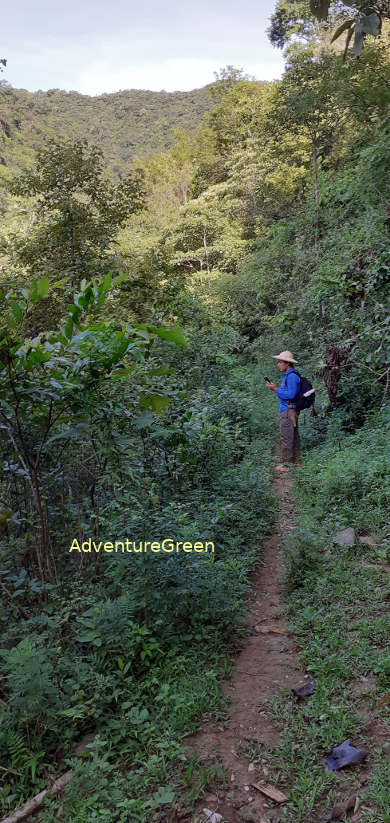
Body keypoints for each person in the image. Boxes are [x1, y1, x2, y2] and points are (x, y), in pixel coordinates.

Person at [266, 350, 301, 473]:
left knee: (287, 437)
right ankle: (296, 462)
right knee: (293, 435)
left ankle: (287, 465)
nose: (278, 364)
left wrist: (276, 389)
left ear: (287, 364)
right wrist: (276, 389)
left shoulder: (291, 376)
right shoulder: (289, 375)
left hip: (288, 411)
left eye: (280, 362)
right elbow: (287, 392)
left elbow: (291, 395)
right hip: (289, 409)